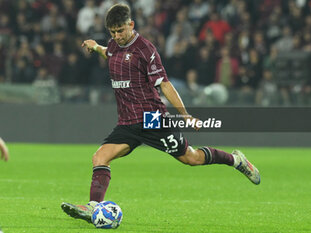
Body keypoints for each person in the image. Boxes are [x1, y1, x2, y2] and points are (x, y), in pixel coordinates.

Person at [61, 3, 260, 224]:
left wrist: (184, 115)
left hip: (152, 119)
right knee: (100, 157)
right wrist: (95, 46)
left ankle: (236, 160)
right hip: (127, 123)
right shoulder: (113, 45)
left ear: (131, 25)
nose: (117, 36)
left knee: (191, 158)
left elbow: (164, 84)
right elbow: (108, 53)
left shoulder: (146, 49)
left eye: (121, 31)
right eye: (113, 32)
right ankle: (93, 207)